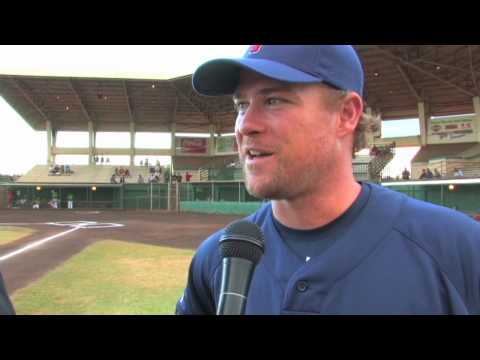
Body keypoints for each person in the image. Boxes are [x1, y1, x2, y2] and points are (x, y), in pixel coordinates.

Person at [175, 45, 480, 315]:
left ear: (346, 114)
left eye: (273, 101)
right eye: (241, 105)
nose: (246, 126)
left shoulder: (459, 250)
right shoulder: (217, 259)